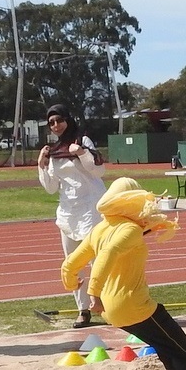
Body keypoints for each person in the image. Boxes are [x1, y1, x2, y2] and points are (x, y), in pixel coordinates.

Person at [61, 177, 186, 370]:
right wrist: (94, 293)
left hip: (112, 313)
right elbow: (108, 254)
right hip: (132, 304)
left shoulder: (99, 229)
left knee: (163, 341)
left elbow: (70, 264)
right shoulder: (130, 229)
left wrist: (72, 284)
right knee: (180, 345)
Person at [38, 103, 107, 328]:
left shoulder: (82, 141)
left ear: (68, 119)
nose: (56, 126)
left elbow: (99, 171)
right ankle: (83, 310)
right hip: (68, 213)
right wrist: (41, 165)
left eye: (59, 120)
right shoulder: (53, 151)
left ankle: (105, 304)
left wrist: (83, 154)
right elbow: (50, 187)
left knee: (98, 259)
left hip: (91, 208)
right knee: (72, 263)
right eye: (51, 123)